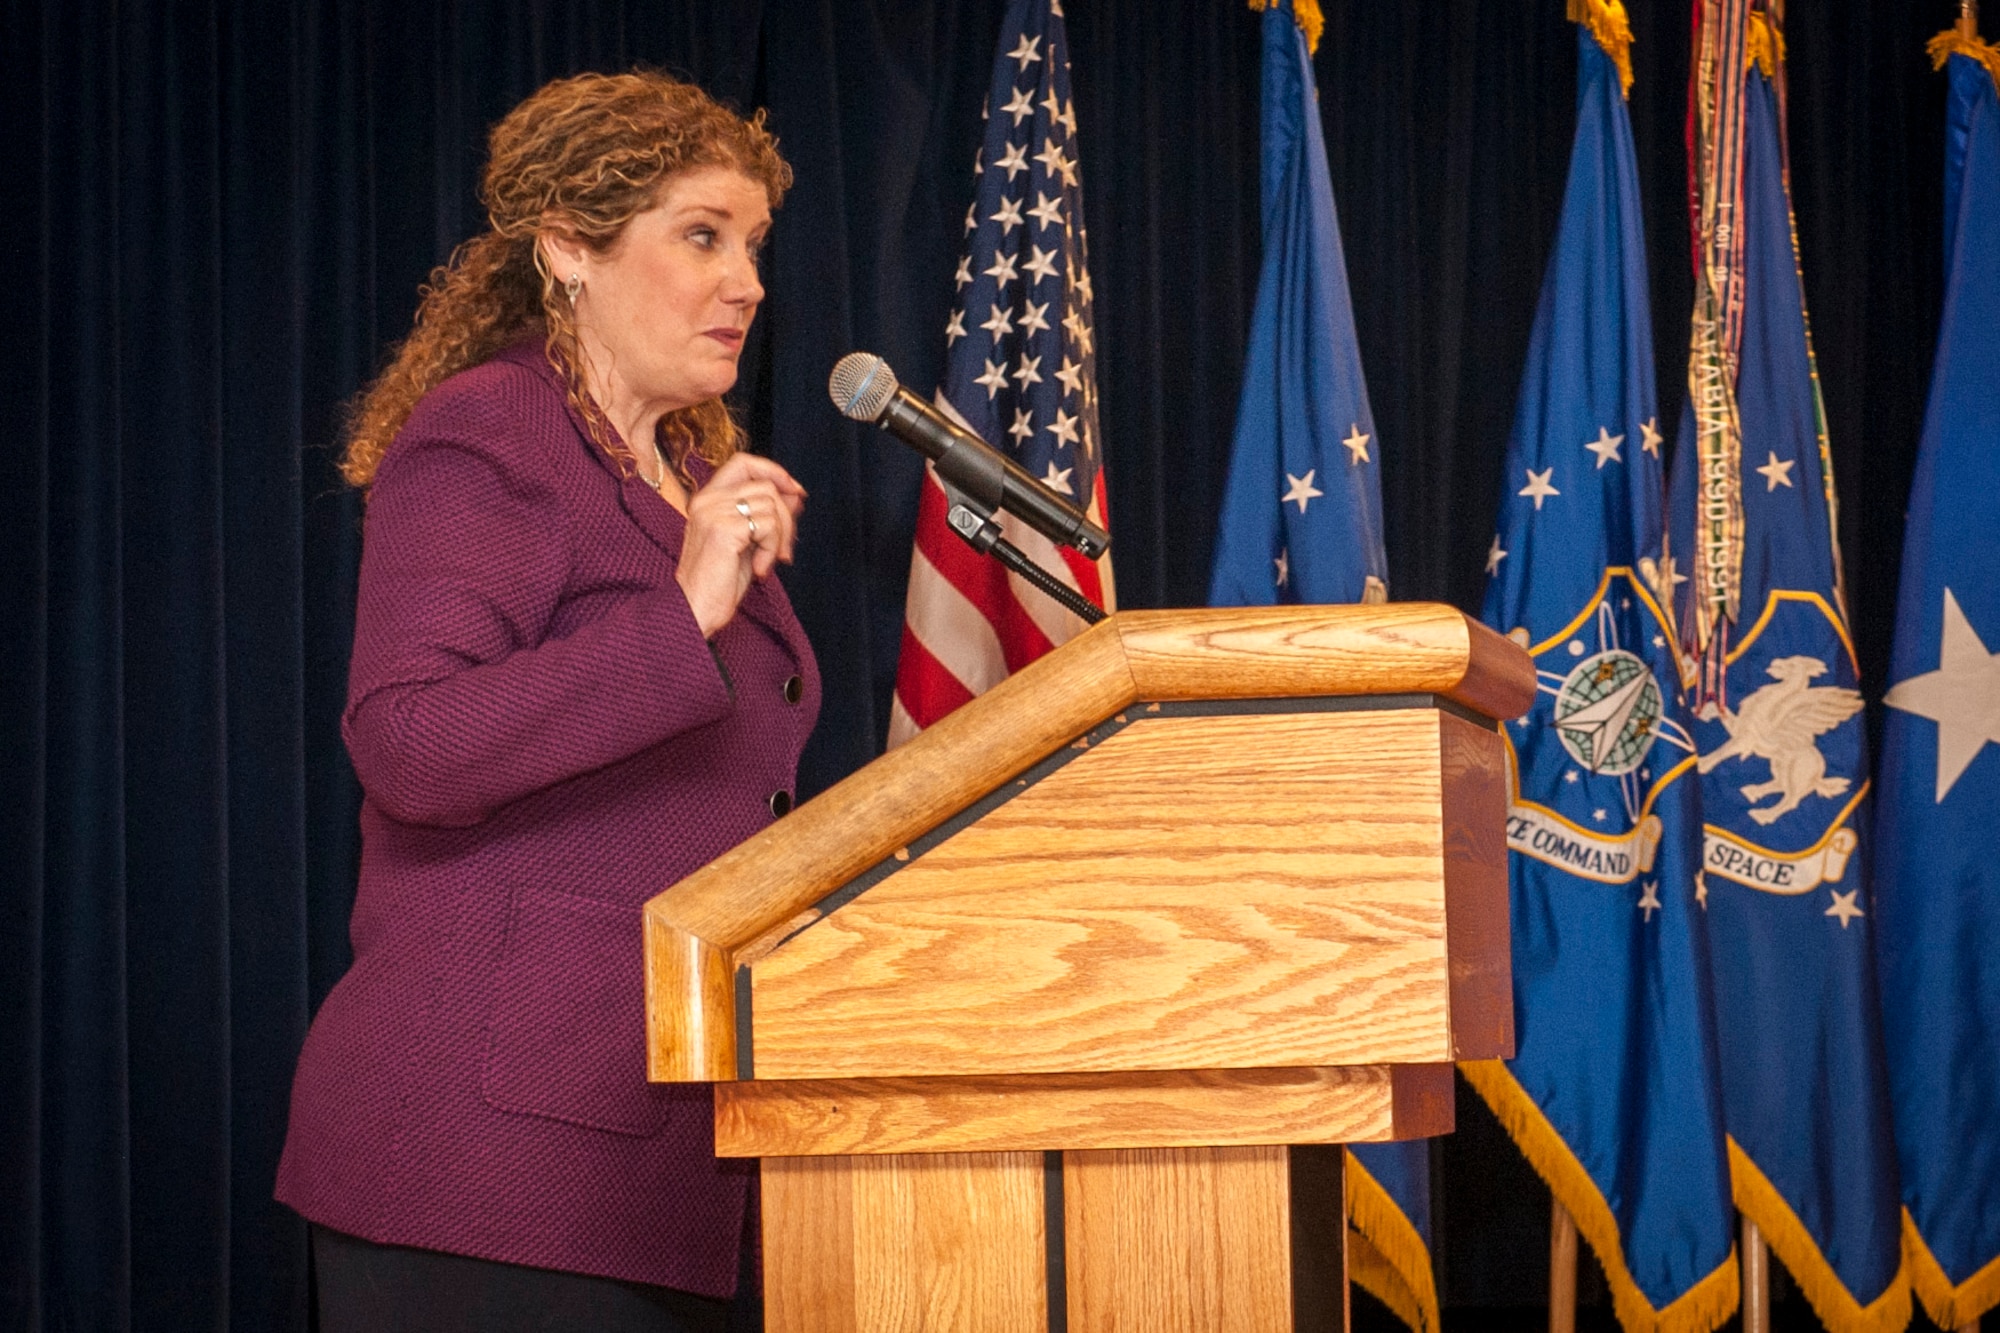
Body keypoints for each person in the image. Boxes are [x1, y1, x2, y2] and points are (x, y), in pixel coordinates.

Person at [276, 70, 817, 1333]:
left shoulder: (686, 468)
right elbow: (406, 741)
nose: (745, 280)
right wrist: (676, 618)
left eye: (752, 245)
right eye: (702, 235)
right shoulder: (488, 434)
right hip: (485, 1158)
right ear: (569, 247)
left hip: (660, 1151)